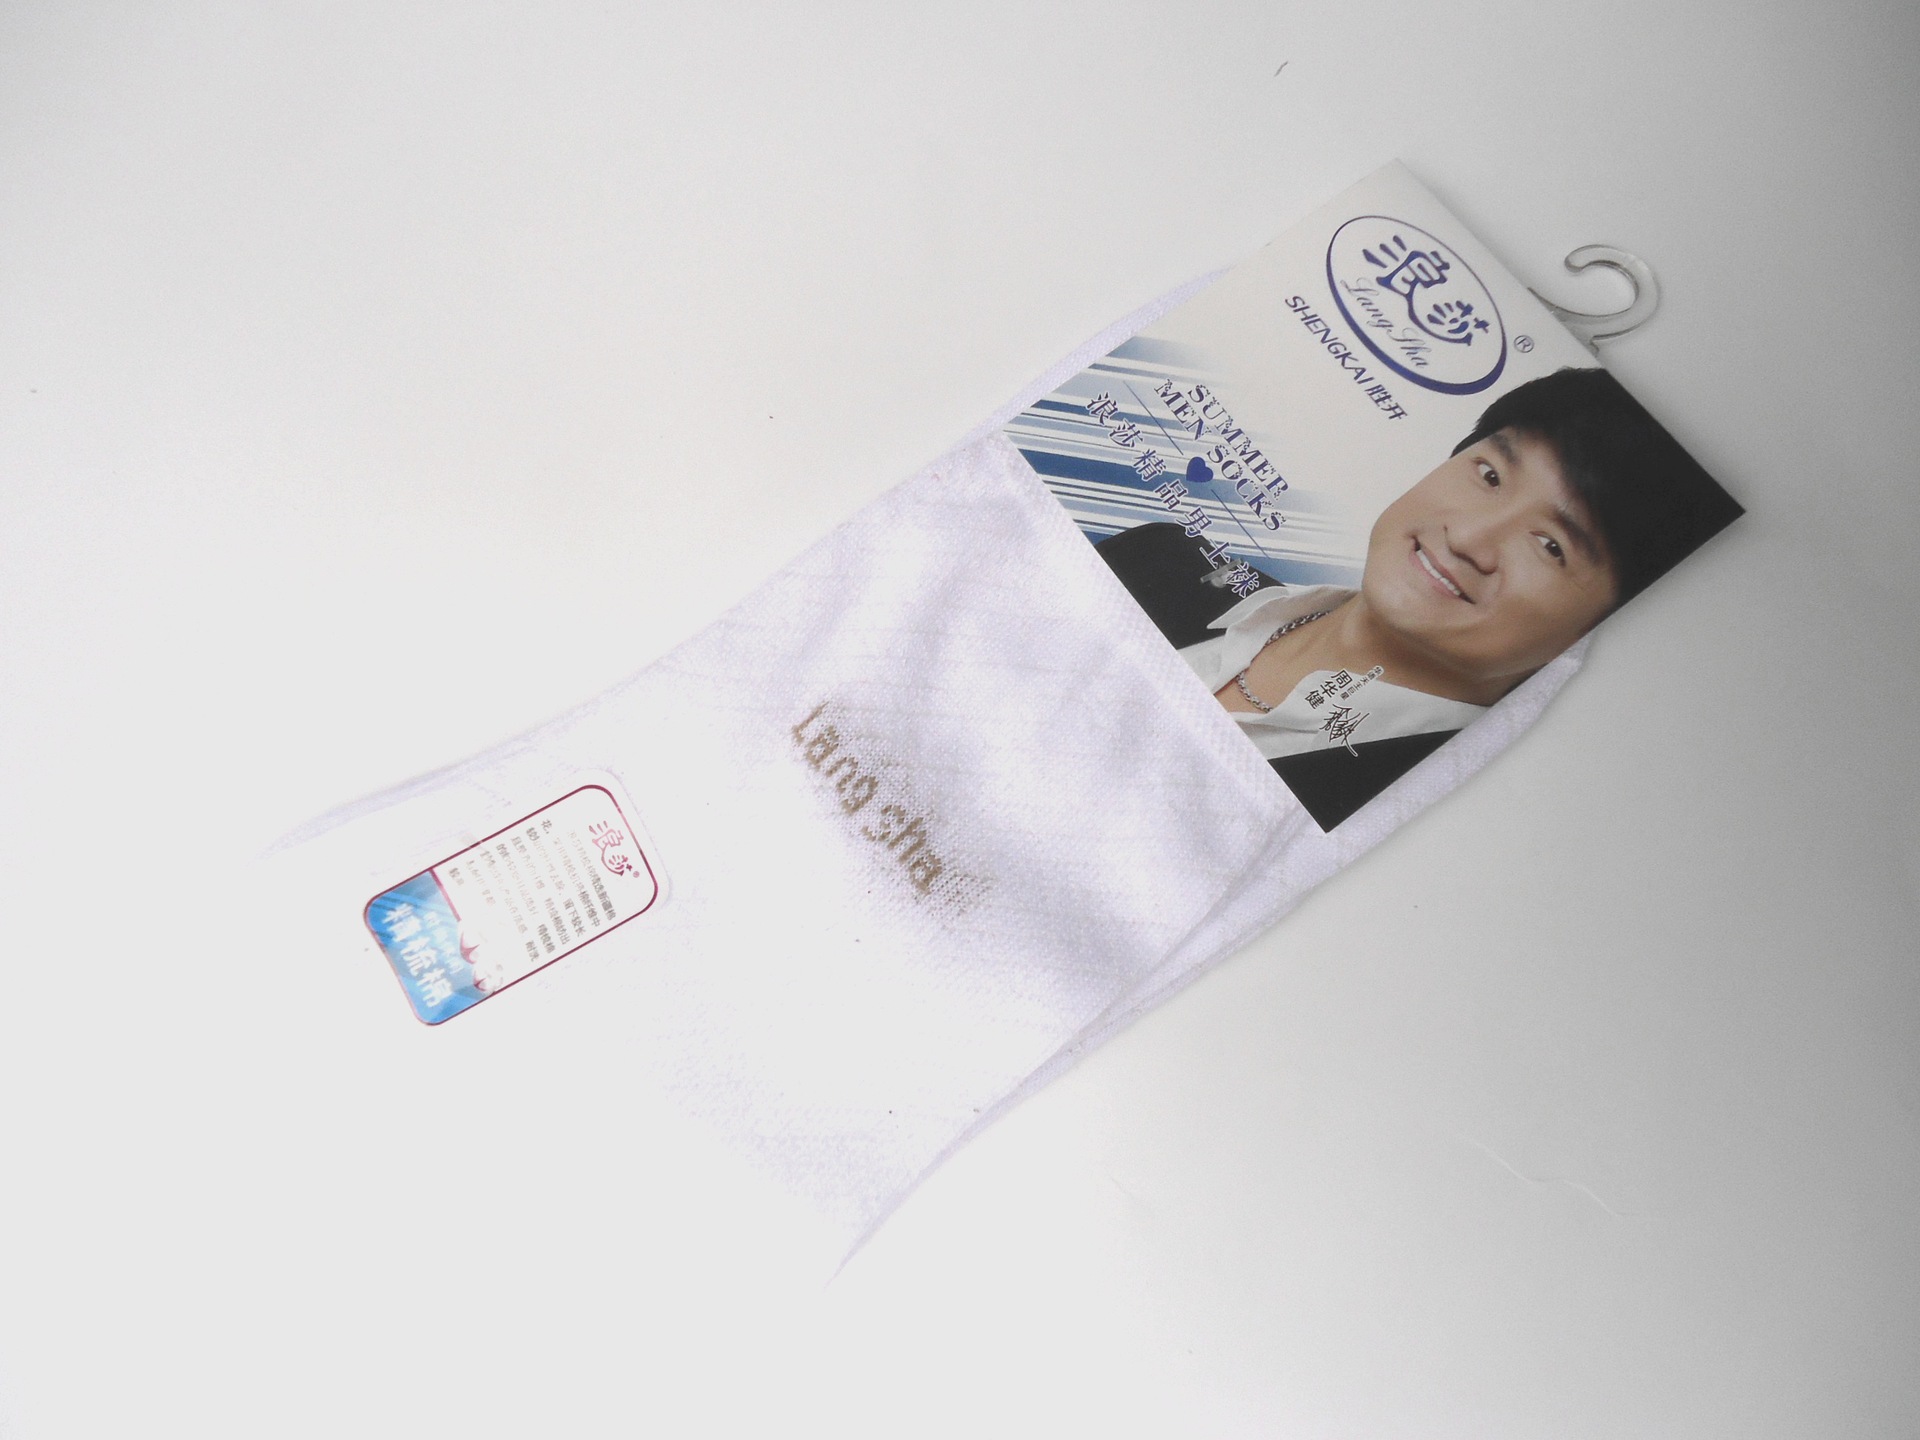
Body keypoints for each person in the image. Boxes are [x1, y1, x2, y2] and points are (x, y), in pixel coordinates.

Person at [1096, 367, 1741, 828]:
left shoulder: (1420, 812)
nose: (1467, 538)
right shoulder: (1160, 558)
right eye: (1490, 475)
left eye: (1551, 546)